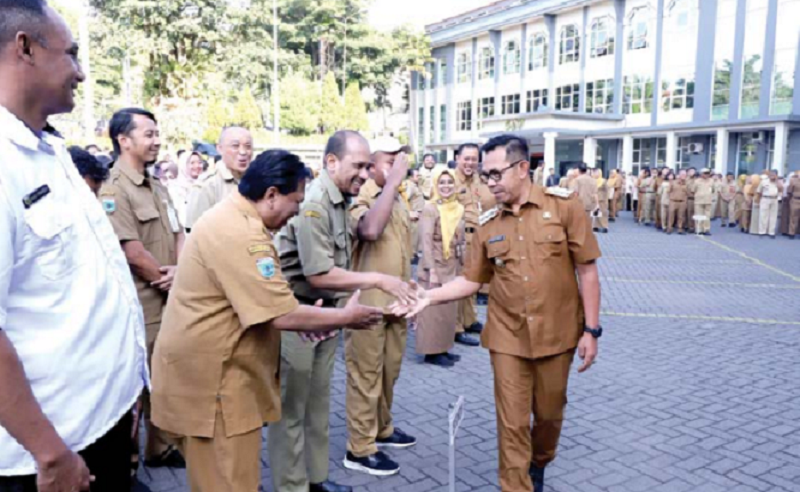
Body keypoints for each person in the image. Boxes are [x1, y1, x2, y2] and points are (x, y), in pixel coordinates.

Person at [150, 150, 383, 492]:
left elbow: (266, 300)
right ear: (272, 194)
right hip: (217, 384)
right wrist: (346, 317)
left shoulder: (237, 219)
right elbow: (282, 313)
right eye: (295, 201)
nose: (296, 213)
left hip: (222, 376)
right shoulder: (239, 233)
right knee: (228, 482)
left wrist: (308, 320)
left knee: (227, 477)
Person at [396, 134, 601, 492]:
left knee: (550, 416)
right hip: (508, 339)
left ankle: (539, 463)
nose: (489, 182)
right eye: (486, 175)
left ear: (523, 168)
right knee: (512, 424)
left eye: (495, 174)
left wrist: (592, 331)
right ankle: (516, 484)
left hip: (559, 335)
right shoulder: (489, 223)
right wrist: (429, 297)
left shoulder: (565, 208)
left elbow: (587, 270)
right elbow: (470, 281)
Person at [0, 2, 148, 490]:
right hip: (48, 455)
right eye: (72, 54)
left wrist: (127, 390)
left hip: (96, 426)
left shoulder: (49, 150)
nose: (81, 73)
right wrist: (50, 453)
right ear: (25, 47)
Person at [269, 132, 415, 492]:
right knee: (292, 412)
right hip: (298, 317)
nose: (365, 174)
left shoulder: (338, 201)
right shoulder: (315, 202)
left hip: (325, 317)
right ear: (331, 162)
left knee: (317, 405)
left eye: (368, 166)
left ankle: (316, 479)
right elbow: (319, 274)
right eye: (359, 165)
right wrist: (378, 279)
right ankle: (292, 486)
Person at [100, 108, 186, 471]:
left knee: (167, 375)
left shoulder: (158, 186)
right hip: (144, 302)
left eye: (156, 133)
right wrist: (163, 279)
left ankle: (160, 448)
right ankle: (130, 459)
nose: (156, 140)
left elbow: (179, 233)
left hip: (172, 295)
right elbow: (130, 249)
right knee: (139, 382)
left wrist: (181, 273)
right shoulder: (114, 189)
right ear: (124, 140)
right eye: (148, 134)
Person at [344, 136, 416, 477]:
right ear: (370, 167)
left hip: (396, 306)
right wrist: (394, 183)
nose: (398, 166)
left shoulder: (398, 198)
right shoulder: (362, 196)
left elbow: (402, 251)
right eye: (389, 161)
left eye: (400, 159)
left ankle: (382, 429)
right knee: (365, 376)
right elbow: (370, 231)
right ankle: (359, 448)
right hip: (367, 306)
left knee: (389, 373)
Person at [416, 167, 466, 367]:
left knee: (447, 310)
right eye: (442, 183)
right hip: (435, 263)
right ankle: (431, 352)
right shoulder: (430, 208)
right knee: (432, 312)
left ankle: (444, 348)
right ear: (436, 185)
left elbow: (460, 239)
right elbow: (426, 240)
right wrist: (432, 270)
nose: (446, 186)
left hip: (452, 263)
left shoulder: (457, 207)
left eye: (450, 182)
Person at [453, 143, 494, 345]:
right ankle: (456, 328)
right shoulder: (448, 180)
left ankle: (469, 320)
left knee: (472, 281)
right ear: (458, 158)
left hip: (477, 238)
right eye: (466, 158)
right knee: (458, 284)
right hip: (458, 240)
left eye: (474, 159)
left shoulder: (478, 180)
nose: (470, 163)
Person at [185, 126, 253, 230]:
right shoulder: (206, 187)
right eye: (235, 146)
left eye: (248, 146)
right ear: (219, 149)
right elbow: (195, 235)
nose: (243, 152)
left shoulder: (257, 182)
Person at [168, 150, 203, 228]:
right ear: (183, 165)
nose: (197, 166)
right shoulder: (174, 188)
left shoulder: (206, 185)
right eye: (192, 163)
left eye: (199, 162)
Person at [757, 170, 782, 238]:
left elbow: (781, 190)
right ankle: (762, 232)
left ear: (776, 175)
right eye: (771, 174)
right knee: (763, 216)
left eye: (774, 175)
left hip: (774, 199)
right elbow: (759, 191)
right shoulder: (764, 181)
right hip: (765, 198)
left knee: (773, 216)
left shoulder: (778, 182)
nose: (772, 176)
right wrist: (758, 200)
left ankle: (771, 232)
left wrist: (777, 182)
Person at [692, 168, 714, 235]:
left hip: (708, 200)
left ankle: (706, 229)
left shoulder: (711, 181)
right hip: (699, 201)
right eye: (705, 173)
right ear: (701, 174)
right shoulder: (697, 181)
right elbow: (693, 190)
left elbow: (713, 190)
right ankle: (699, 229)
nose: (706, 175)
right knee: (699, 215)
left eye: (708, 173)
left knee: (707, 216)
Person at [667, 170, 688, 235]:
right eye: (682, 174)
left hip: (682, 202)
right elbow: (668, 191)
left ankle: (680, 228)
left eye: (685, 174)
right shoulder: (673, 182)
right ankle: (669, 228)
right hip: (673, 201)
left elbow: (688, 192)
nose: (683, 176)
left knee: (681, 216)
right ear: (679, 175)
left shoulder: (687, 183)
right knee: (671, 215)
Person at [592, 168, 609, 233]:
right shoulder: (592, 180)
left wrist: (606, 199)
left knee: (603, 213)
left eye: (596, 172)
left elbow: (607, 190)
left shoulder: (603, 181)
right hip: (594, 199)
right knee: (595, 213)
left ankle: (605, 226)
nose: (594, 174)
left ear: (599, 173)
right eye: (594, 173)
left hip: (602, 199)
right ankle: (595, 226)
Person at [787, 171, 800, 239]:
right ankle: (791, 233)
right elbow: (789, 191)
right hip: (795, 199)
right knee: (793, 217)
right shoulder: (793, 181)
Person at [686, 168, 697, 233]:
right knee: (689, 213)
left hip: (697, 199)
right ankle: (690, 227)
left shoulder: (698, 179)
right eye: (690, 171)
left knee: (696, 213)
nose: (692, 173)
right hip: (689, 198)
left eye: (693, 171)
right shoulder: (686, 179)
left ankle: (696, 227)